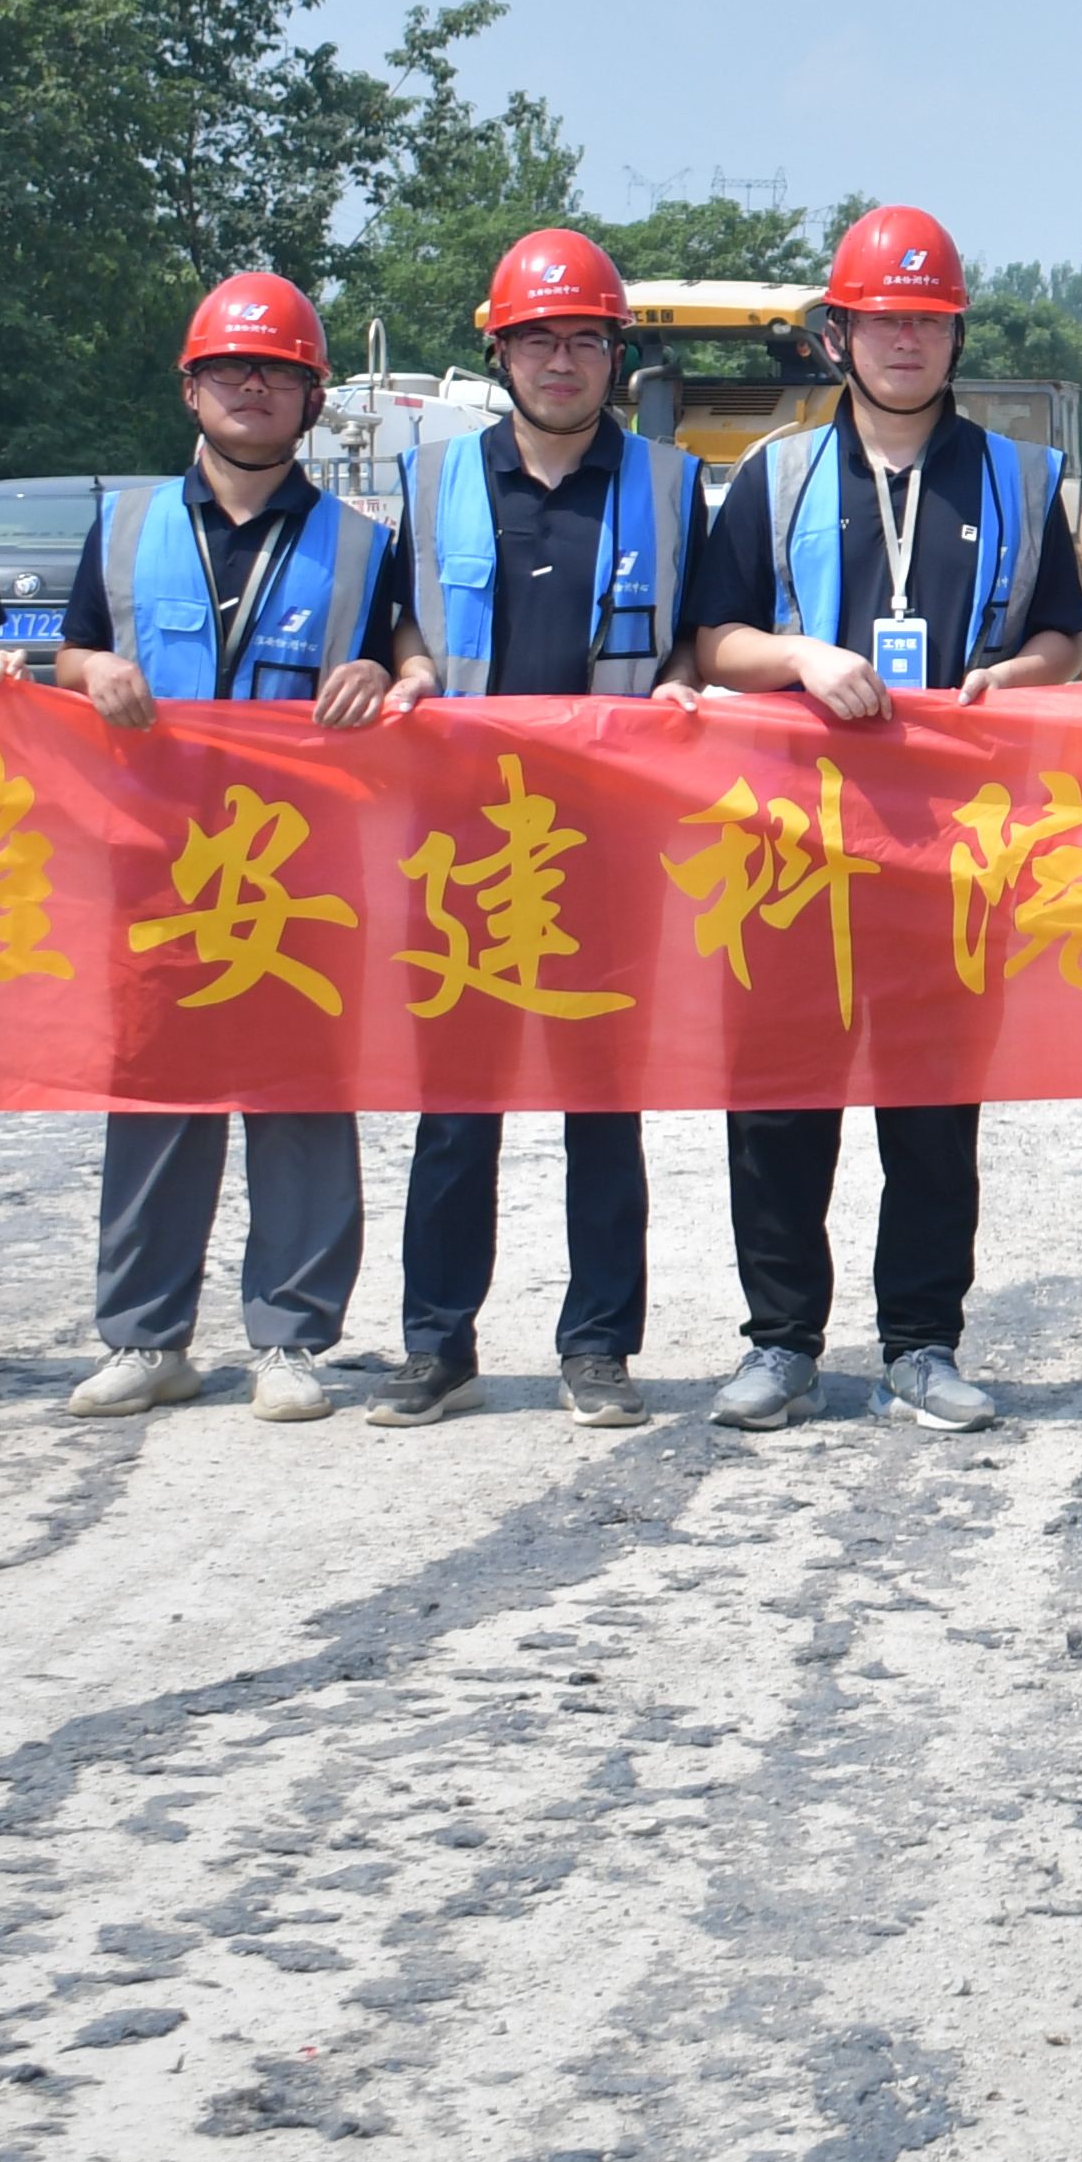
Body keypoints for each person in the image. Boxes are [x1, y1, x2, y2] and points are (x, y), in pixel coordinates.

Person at [685, 203, 1082, 1435]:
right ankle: (781, 1343)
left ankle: (921, 1342)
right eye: (882, 321)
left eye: (927, 321)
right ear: (839, 336)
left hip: (949, 846)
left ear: (956, 335)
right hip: (791, 844)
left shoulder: (1018, 478)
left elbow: (1065, 638)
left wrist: (1016, 678)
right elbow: (714, 641)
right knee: (778, 1102)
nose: (905, 342)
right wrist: (801, 657)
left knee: (932, 1106)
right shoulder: (777, 477)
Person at [50, 268, 415, 1426]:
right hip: (154, 863)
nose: (251, 387)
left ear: (312, 399)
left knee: (301, 1100)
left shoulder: (361, 544)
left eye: (277, 372)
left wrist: (386, 672)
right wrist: (93, 670)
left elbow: (415, 659)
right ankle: (146, 1337)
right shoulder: (125, 528)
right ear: (190, 388)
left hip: (304, 871)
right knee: (158, 1099)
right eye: (229, 369)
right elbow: (69, 652)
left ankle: (293, 1340)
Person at [370, 227, 702, 1434]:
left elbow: (696, 634)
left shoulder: (668, 487)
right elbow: (399, 624)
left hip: (611, 847)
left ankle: (599, 1345)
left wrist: (680, 684)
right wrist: (410, 669)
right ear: (500, 352)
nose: (562, 361)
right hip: (461, 846)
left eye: (585, 341)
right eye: (538, 340)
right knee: (457, 1109)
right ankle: (435, 1343)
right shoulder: (430, 482)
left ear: (616, 355)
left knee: (603, 1109)